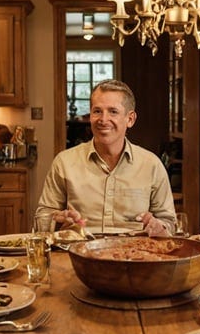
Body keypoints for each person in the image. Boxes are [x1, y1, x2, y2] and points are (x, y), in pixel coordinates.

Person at [37, 79, 175, 236]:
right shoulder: (64, 162)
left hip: (135, 255)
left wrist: (159, 226)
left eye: (113, 112)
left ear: (130, 119)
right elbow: (42, 217)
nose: (103, 120)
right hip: (78, 253)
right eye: (97, 111)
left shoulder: (151, 165)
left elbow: (169, 223)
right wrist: (57, 220)